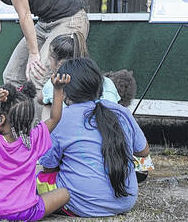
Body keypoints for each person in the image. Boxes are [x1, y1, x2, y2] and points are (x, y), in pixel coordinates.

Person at [39, 58, 150, 217]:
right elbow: (143, 151)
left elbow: (49, 167)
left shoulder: (61, 119)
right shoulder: (121, 111)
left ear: (64, 91)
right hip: (125, 201)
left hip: (80, 204)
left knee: (39, 177)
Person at [0, 72, 70, 220]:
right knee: (64, 194)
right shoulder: (33, 139)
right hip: (26, 212)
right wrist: (58, 89)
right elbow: (55, 118)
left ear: (1, 119)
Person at [38, 32, 120, 120]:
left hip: (76, 127)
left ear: (60, 64)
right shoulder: (107, 82)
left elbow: (40, 99)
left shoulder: (55, 83)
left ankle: (46, 133)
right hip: (111, 126)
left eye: (50, 59)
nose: (47, 63)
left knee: (47, 104)